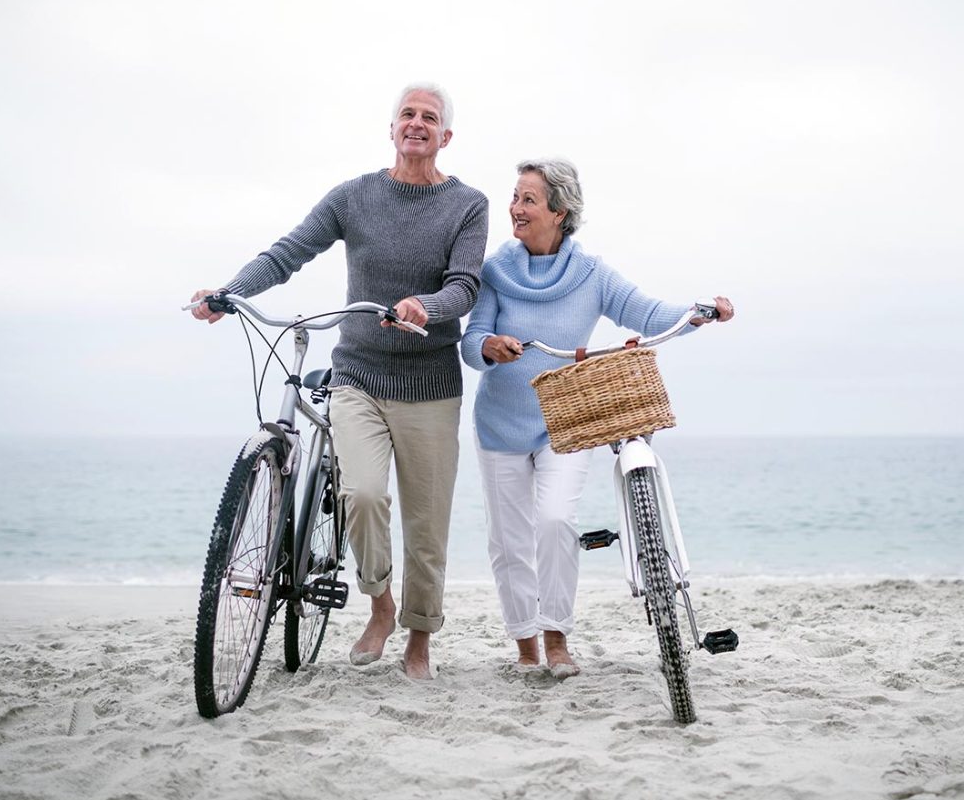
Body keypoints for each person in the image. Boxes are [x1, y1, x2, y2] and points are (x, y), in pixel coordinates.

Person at [190, 83, 489, 680]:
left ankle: (419, 642)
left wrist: (425, 307)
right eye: (407, 114)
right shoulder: (354, 196)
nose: (416, 123)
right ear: (391, 127)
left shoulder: (468, 205)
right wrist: (231, 292)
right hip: (359, 375)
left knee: (426, 528)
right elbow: (289, 251)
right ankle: (380, 605)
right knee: (361, 495)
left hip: (431, 386)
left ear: (445, 136)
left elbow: (465, 286)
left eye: (429, 118)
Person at [461, 158, 733, 679]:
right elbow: (472, 341)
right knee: (508, 539)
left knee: (557, 520)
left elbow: (648, 313)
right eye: (514, 197)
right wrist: (491, 347)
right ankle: (524, 645)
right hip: (499, 424)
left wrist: (700, 313)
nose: (515, 208)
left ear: (560, 212)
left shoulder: (590, 274)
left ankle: (557, 637)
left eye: (528, 200)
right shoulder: (495, 271)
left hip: (565, 424)